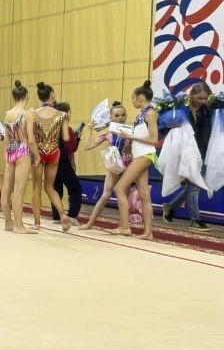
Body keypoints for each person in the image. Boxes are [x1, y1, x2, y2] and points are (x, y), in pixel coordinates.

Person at [162, 82, 213, 231]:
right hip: (188, 152)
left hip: (204, 151)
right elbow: (170, 130)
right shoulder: (182, 110)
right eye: (200, 98)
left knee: (194, 185)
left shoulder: (208, 110)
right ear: (192, 96)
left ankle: (170, 207)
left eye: (205, 98)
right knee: (194, 186)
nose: (203, 101)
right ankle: (195, 220)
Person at [112, 80, 159, 238]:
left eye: (133, 98)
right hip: (139, 154)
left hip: (146, 154)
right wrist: (129, 144)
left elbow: (154, 140)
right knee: (144, 194)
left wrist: (131, 137)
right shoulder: (140, 114)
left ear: (140, 98)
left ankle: (125, 227)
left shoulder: (150, 113)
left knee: (119, 188)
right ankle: (148, 232)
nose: (132, 101)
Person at [79, 101, 132, 231]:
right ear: (111, 118)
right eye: (117, 115)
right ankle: (90, 223)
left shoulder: (130, 131)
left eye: (123, 115)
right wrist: (90, 130)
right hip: (114, 166)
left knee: (123, 197)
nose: (120, 118)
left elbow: (132, 149)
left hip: (128, 166)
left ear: (126, 115)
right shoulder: (108, 133)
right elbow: (87, 146)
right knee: (106, 195)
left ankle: (123, 226)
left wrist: (130, 141)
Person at [29, 82, 71, 231]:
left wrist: (36, 154)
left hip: (38, 153)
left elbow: (30, 139)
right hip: (54, 153)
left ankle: (37, 223)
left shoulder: (33, 114)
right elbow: (66, 138)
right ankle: (62, 214)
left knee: (37, 187)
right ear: (52, 95)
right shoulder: (62, 115)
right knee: (49, 187)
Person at [0, 80, 38, 233]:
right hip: (22, 150)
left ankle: (8, 223)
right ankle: (19, 225)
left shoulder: (7, 114)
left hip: (11, 150)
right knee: (18, 190)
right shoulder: (27, 114)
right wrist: (37, 156)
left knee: (6, 188)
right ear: (26, 96)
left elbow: (6, 139)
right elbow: (31, 139)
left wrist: (8, 153)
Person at [50, 102, 82, 225]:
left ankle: (56, 217)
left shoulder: (51, 128)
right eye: (70, 111)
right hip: (62, 162)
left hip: (51, 162)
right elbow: (72, 147)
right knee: (75, 188)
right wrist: (77, 137)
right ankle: (72, 215)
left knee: (56, 189)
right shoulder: (66, 129)